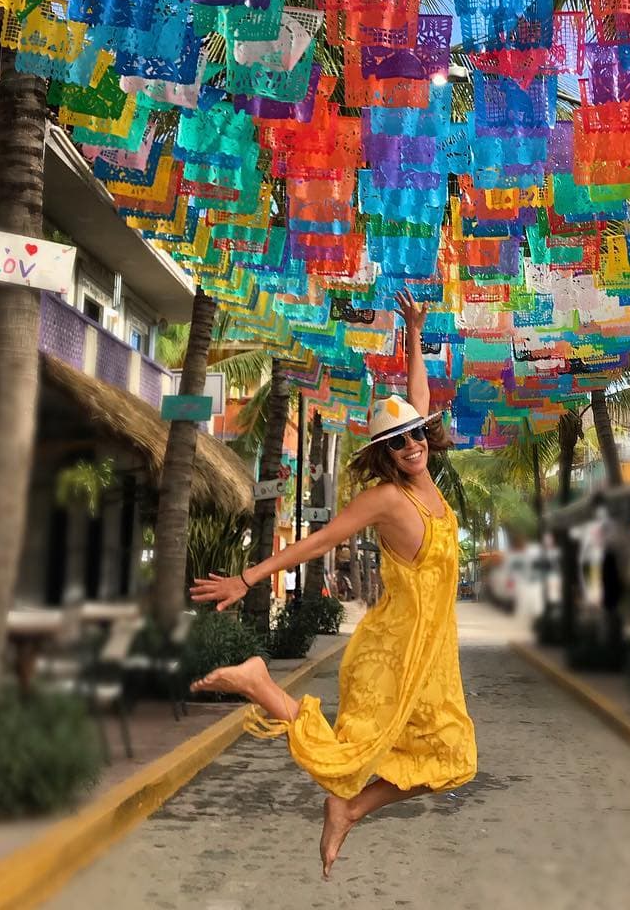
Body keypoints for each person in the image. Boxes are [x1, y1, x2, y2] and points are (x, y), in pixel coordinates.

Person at [189, 289, 477, 878]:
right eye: (398, 442)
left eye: (417, 435)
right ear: (386, 455)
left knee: (452, 759)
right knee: (354, 754)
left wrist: (415, 332)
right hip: (394, 653)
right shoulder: (387, 501)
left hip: (432, 655)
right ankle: (263, 686)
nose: (412, 444)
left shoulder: (425, 477)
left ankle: (348, 810)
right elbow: (315, 543)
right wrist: (249, 576)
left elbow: (416, 399)